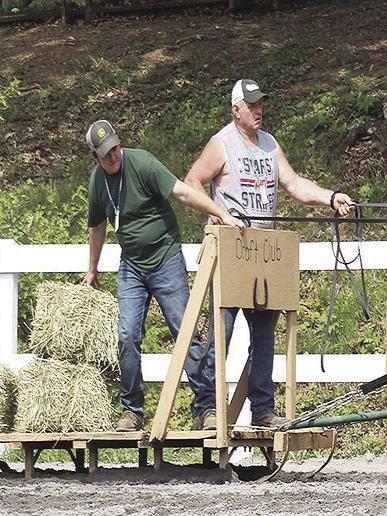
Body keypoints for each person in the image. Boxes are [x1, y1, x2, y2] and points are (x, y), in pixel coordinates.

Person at [183, 79, 356, 430]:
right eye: (251, 104)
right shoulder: (222, 144)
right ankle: (206, 408)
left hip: (263, 253)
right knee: (222, 332)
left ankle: (262, 408)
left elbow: (294, 185)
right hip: (231, 251)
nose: (258, 109)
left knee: (264, 337)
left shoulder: (270, 145)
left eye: (261, 103)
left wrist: (331, 196)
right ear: (236, 109)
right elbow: (192, 182)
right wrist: (217, 216)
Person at [82, 119, 245, 432]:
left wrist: (221, 214)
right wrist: (92, 269)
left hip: (166, 259)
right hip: (131, 266)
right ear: (95, 158)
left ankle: (206, 408)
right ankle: (132, 411)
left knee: (185, 333)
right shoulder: (97, 183)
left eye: (115, 148)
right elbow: (97, 225)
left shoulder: (142, 163)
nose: (113, 155)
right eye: (105, 153)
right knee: (127, 336)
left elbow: (182, 193)